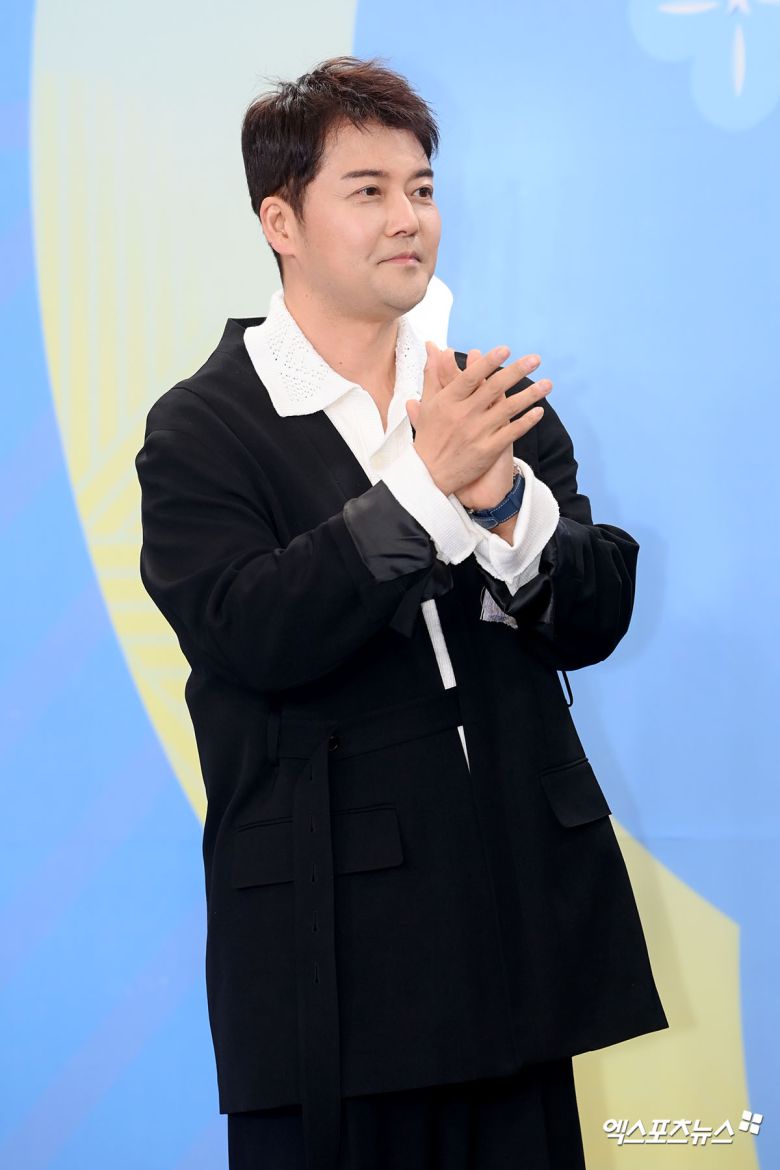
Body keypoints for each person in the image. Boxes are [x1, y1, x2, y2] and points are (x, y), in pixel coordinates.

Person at [135, 55, 668, 1170]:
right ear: (281, 222)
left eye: (422, 188)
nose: (407, 218)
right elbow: (251, 630)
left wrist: (503, 501)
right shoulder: (202, 427)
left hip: (518, 940)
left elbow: (594, 614)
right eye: (368, 190)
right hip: (333, 961)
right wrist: (425, 493)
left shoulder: (488, 401)